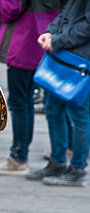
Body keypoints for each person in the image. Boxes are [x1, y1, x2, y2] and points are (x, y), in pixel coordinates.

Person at [0, 0, 59, 176]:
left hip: (25, 42)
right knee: (56, 102)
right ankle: (65, 150)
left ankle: (19, 158)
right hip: (50, 40)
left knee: (20, 102)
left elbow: (7, 9)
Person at [26, 0, 90, 186]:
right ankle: (58, 162)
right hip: (65, 53)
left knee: (79, 115)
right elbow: (65, 13)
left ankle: (78, 169)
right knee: (53, 110)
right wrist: (50, 32)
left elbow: (88, 25)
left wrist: (58, 40)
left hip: (81, 58)